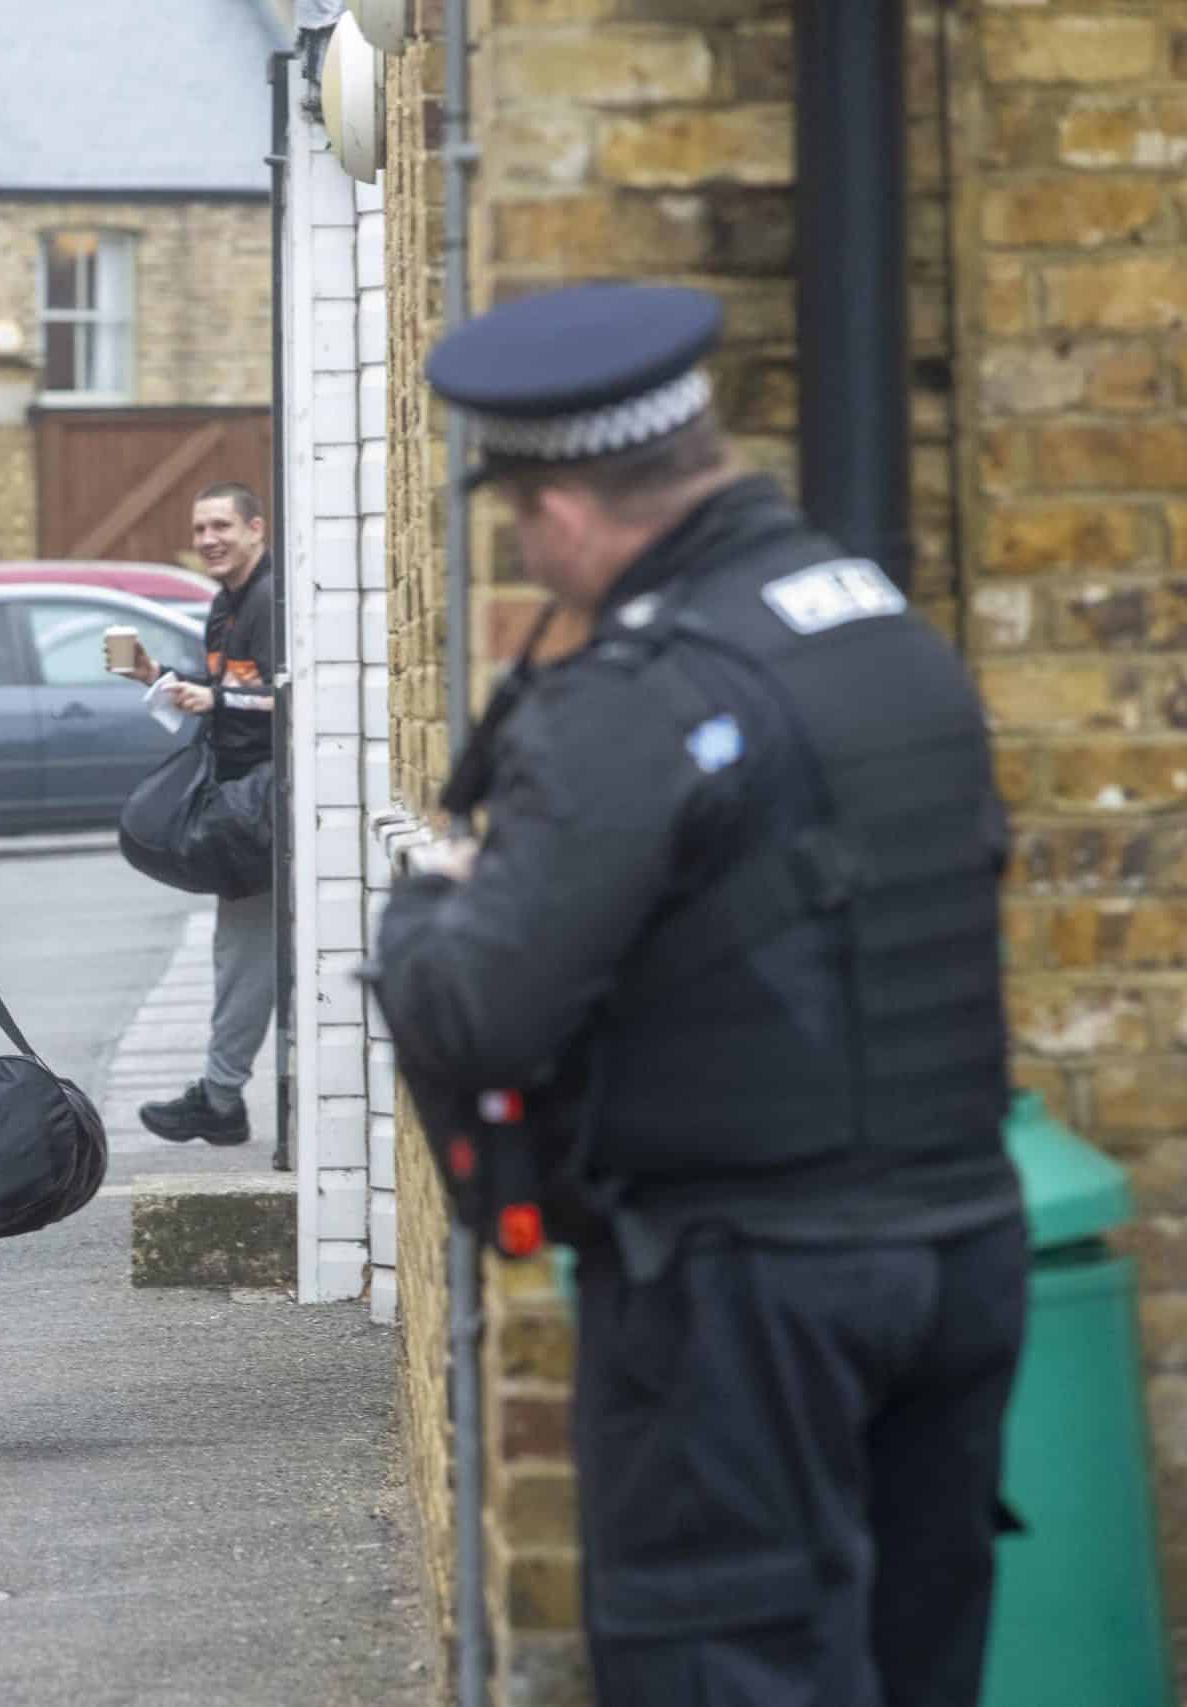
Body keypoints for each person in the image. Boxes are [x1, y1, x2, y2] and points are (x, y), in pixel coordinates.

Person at [371, 282, 1026, 1704]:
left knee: (729, 1667)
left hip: (750, 1293)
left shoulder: (639, 691)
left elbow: (481, 1009)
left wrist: (423, 898)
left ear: (557, 506)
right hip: (959, 1246)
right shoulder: (881, 632)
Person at [116, 481, 278, 1156]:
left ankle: (220, 1095)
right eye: (200, 528)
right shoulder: (225, 605)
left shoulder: (272, 601)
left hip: (268, 803)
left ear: (256, 529)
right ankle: (220, 1093)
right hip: (241, 798)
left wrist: (213, 699)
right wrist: (160, 676)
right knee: (239, 950)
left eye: (222, 526)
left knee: (245, 952)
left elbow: (284, 696)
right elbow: (234, 688)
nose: (209, 539)